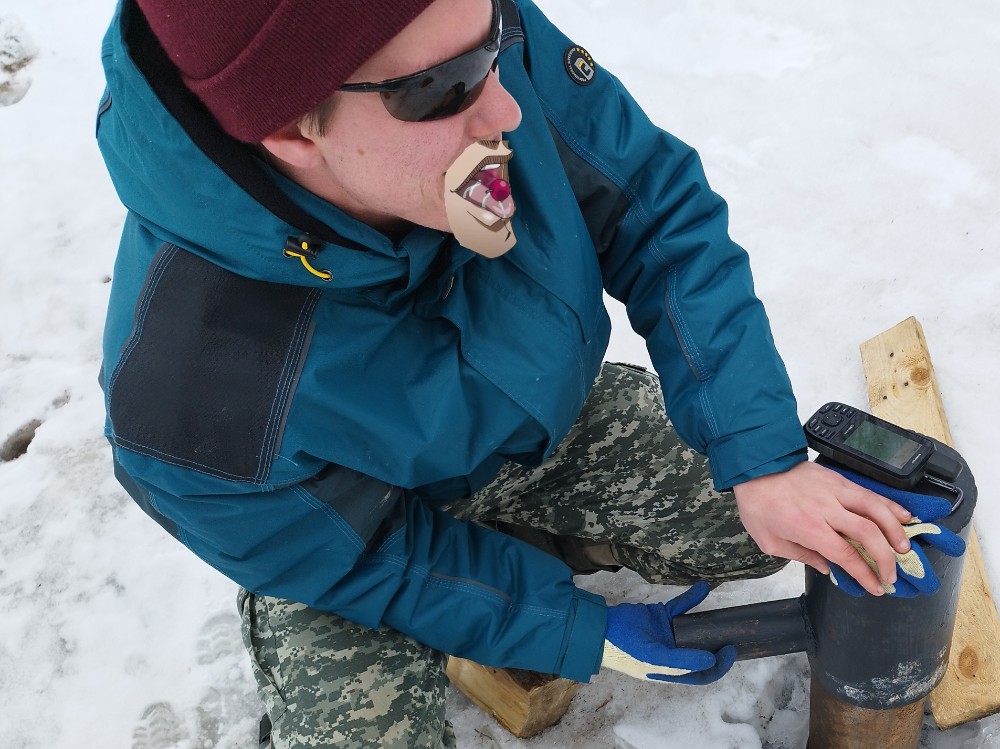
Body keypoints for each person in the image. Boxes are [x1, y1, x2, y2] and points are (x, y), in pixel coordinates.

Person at [96, 0, 917, 746]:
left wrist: (761, 454)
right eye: (448, 86)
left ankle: (510, 544)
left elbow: (655, 209)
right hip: (347, 538)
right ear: (288, 128)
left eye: (492, 32)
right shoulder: (183, 407)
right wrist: (568, 627)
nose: (506, 107)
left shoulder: (451, 42)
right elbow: (368, 562)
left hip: (527, 431)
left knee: (758, 533)